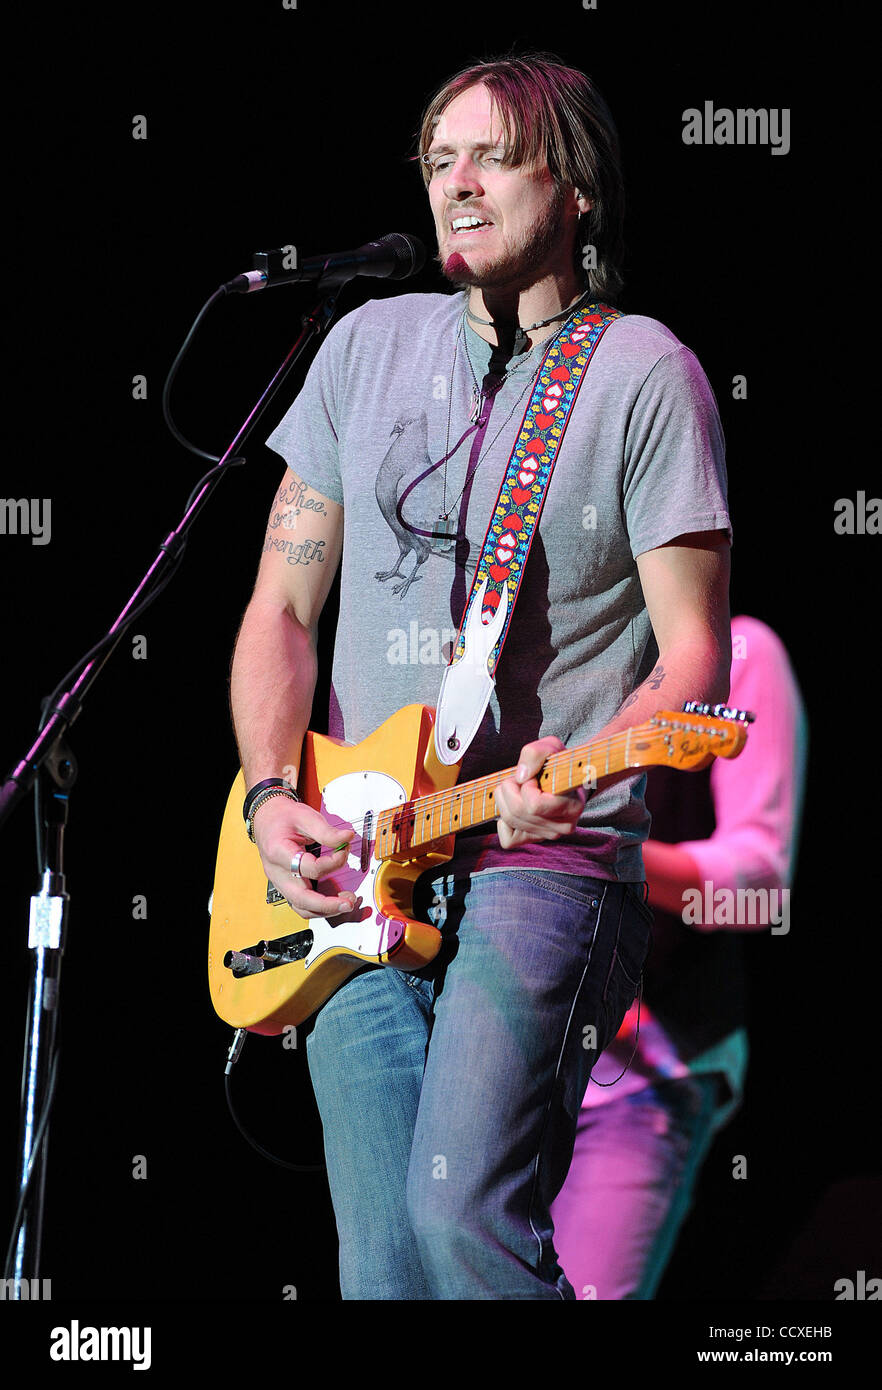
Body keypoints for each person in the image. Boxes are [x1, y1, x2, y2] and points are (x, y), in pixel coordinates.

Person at [228, 51, 733, 1300]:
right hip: (350, 867)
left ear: (577, 190)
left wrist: (593, 750)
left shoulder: (641, 375)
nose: (456, 181)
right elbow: (281, 610)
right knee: (386, 1267)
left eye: (491, 154)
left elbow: (693, 655)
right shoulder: (361, 347)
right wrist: (265, 795)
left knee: (462, 1224)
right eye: (438, 155)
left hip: (541, 861)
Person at [550, 615, 808, 1299]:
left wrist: (607, 851)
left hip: (645, 1062)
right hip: (503, 1049)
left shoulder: (744, 649)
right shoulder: (538, 644)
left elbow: (759, 889)